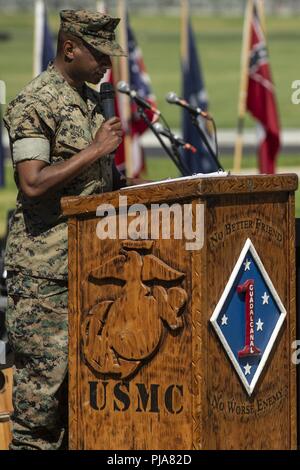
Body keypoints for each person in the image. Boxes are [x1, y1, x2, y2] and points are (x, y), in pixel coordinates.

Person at [3, 9, 127, 450]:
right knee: (41, 409)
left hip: (93, 267)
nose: (107, 65)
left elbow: (99, 181)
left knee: (84, 400)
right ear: (69, 48)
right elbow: (32, 182)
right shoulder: (34, 102)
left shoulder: (90, 100)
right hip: (45, 277)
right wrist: (95, 149)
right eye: (99, 54)